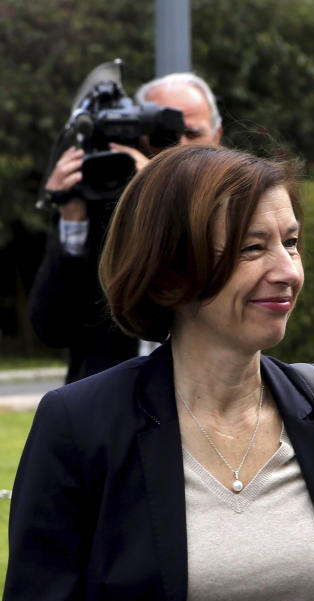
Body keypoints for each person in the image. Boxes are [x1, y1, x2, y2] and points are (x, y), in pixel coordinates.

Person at [0, 145, 314, 601]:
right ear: (168, 270)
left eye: (291, 242)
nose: (288, 271)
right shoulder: (80, 424)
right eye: (251, 248)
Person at [30, 72, 222, 383]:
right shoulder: (104, 204)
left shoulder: (239, 207)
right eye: (163, 136)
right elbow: (51, 329)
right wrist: (72, 219)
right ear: (138, 136)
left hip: (203, 399)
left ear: (217, 136)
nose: (179, 148)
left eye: (192, 133)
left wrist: (160, 199)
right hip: (106, 410)